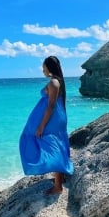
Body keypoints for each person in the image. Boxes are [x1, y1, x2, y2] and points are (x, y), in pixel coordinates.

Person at [19, 56, 74, 195]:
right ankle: (58, 180)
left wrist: (41, 126)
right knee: (56, 147)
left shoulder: (54, 82)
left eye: (43, 67)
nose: (42, 69)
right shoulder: (57, 81)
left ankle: (58, 186)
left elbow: (50, 106)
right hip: (56, 119)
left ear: (49, 67)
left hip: (52, 120)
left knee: (53, 147)